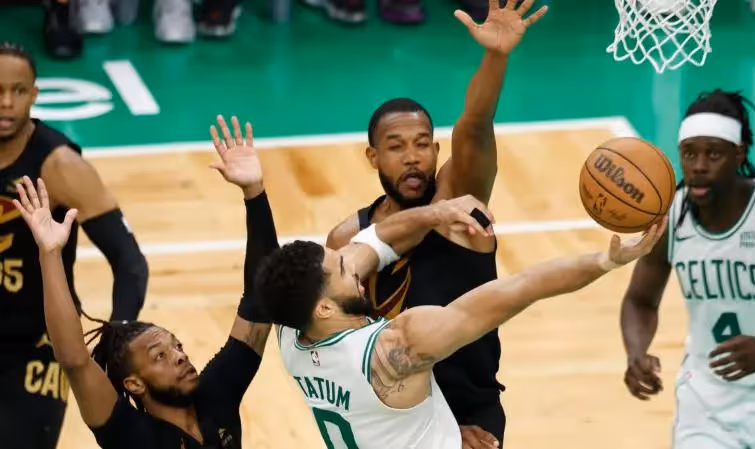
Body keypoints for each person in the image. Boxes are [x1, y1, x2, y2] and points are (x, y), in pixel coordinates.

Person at [258, 188, 665, 448]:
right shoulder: (397, 347)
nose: (354, 266)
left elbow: (375, 240)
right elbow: (522, 287)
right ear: (325, 308)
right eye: (344, 270)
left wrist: (437, 213)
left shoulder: (291, 331)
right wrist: (607, 260)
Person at [325, 1, 546, 446]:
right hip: (386, 415)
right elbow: (340, 347)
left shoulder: (459, 208)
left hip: (471, 414)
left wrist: (495, 56)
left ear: (436, 151)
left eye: (423, 144)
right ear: (373, 157)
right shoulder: (348, 238)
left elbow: (475, 125)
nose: (412, 157)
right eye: (396, 147)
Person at [10, 115, 277, 449]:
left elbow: (261, 301)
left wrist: (254, 192)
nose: (179, 356)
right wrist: (50, 254)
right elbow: (75, 360)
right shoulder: (130, 435)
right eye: (159, 356)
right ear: (134, 384)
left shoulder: (216, 396)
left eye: (177, 346)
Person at [0, 42, 149, 449]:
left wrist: (118, 336)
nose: (6, 103)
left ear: (34, 94)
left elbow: (129, 261)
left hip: (36, 347)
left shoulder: (60, 166)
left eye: (18, 91)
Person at [620, 89, 755, 449]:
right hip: (706, 403)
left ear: (739, 154)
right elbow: (640, 301)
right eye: (689, 153)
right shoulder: (673, 217)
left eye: (713, 154)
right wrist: (636, 352)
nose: (698, 166)